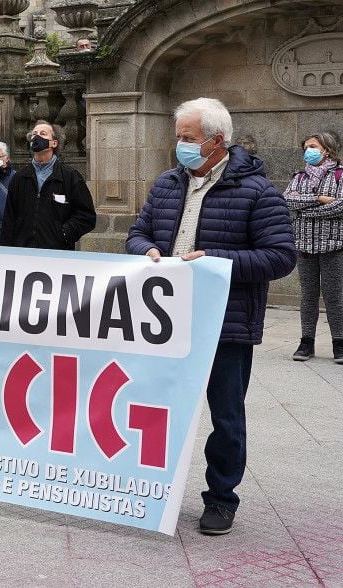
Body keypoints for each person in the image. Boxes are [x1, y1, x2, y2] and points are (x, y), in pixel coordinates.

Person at [126, 97, 295, 535]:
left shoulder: (258, 191)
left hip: (225, 322)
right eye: (178, 136)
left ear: (216, 142)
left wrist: (214, 261)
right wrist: (145, 249)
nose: (179, 145)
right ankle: (150, 489)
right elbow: (137, 232)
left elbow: (279, 257)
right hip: (164, 319)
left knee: (225, 416)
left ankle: (221, 500)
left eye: (187, 138)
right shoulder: (167, 183)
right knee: (154, 409)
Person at [284, 131, 343, 363]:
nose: (307, 150)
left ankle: (339, 343)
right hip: (304, 245)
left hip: (333, 246)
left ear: (326, 149)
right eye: (306, 147)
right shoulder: (299, 177)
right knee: (307, 296)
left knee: (334, 297)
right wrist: (318, 199)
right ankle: (306, 342)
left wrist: (305, 210)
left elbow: (340, 206)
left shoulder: (339, 175)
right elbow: (287, 200)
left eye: (312, 146)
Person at [0, 121, 96, 250]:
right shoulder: (19, 178)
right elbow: (9, 218)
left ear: (54, 143)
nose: (37, 137)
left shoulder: (70, 177)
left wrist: (64, 233)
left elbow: (86, 216)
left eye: (43, 134)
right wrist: (5, 250)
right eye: (34, 134)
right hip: (23, 253)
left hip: (56, 254)